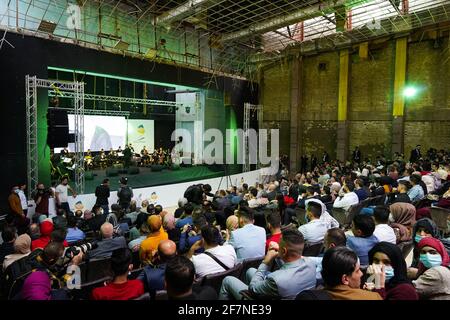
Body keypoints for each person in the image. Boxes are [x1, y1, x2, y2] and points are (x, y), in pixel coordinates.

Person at [219, 229, 316, 300]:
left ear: (284, 251)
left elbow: (252, 289)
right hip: (289, 293)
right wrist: (280, 251)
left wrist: (266, 262)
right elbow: (292, 259)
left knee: (228, 280)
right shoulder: (311, 264)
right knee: (250, 271)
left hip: (267, 292)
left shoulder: (275, 279)